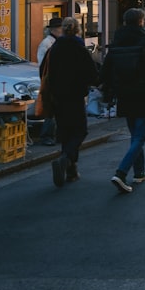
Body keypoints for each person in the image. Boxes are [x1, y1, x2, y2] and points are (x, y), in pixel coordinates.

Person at [102, 8, 145, 194]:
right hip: (144, 94)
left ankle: (139, 172)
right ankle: (121, 173)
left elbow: (106, 71)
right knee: (140, 136)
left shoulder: (116, 44)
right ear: (140, 22)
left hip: (124, 94)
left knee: (134, 135)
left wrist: (109, 92)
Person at [45, 16, 99, 187]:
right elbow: (91, 73)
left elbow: (44, 71)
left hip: (57, 97)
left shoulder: (54, 49)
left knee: (66, 131)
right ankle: (66, 158)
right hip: (75, 96)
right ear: (77, 30)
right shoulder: (79, 49)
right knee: (80, 131)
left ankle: (70, 170)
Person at [35, 17, 63, 146]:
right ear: (55, 30)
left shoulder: (56, 42)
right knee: (50, 112)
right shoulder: (47, 43)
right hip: (50, 81)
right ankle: (46, 136)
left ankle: (55, 135)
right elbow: (43, 65)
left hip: (54, 81)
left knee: (55, 111)